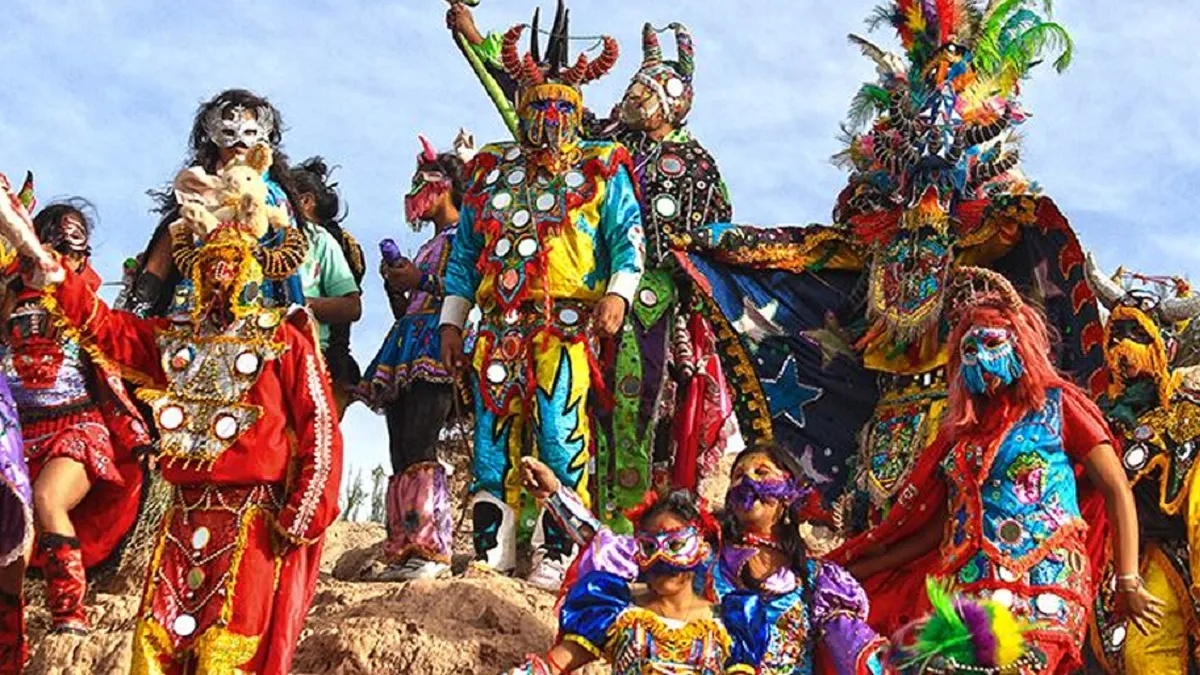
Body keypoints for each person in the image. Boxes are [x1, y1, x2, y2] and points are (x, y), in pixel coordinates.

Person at [0, 150, 342, 674]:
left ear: (254, 266)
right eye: (210, 265)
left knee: (228, 653)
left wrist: (302, 511)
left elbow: (319, 426)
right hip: (181, 517)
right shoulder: (176, 343)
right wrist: (48, 269)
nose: (221, 275)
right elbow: (106, 329)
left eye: (232, 263)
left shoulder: (284, 338)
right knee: (157, 648)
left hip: (253, 521)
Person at [449, 4, 737, 527]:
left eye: (647, 90)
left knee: (635, 411)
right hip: (552, 301)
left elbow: (716, 232)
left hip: (653, 299)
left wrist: (670, 286)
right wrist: (474, 39)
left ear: (675, 101)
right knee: (548, 418)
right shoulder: (598, 145)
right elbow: (526, 98)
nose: (632, 96)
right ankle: (530, 529)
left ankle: (629, 524)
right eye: (632, 86)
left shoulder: (697, 163)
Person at [835, 267, 1164, 674]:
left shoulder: (1057, 407)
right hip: (966, 595)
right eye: (968, 351)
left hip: (1041, 584)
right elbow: (937, 531)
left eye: (992, 342)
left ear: (1019, 344)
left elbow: (1116, 488)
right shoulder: (958, 437)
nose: (981, 358)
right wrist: (857, 569)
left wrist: (1127, 579)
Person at [438, 2, 644, 590]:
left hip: (566, 327)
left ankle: (557, 550)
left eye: (562, 108)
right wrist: (453, 321)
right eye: (538, 107)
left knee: (559, 433)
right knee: (489, 443)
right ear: (522, 110)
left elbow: (627, 238)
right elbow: (463, 254)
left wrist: (619, 294)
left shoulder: (601, 168)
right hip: (498, 328)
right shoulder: (490, 172)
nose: (549, 118)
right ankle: (490, 551)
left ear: (577, 114)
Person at [0, 198, 150, 652]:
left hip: (76, 428)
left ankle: (69, 614)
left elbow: (110, 372)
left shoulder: (84, 302)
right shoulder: (7, 297)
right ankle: (11, 643)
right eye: (59, 246)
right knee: (13, 539)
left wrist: (136, 436)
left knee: (47, 499)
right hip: (18, 436)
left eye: (78, 250)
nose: (69, 258)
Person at [359, 133, 472, 581]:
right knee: (401, 447)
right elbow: (411, 305)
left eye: (419, 184)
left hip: (438, 344)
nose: (412, 197)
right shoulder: (430, 244)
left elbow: (467, 289)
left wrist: (421, 278)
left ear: (442, 186)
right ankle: (402, 548)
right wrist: (400, 285)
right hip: (407, 343)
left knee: (423, 440)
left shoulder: (465, 236)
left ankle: (430, 548)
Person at [1085, 256, 1200, 674]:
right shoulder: (1094, 414)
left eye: (1137, 335)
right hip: (1094, 560)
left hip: (1161, 558)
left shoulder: (1185, 414)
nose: (1122, 350)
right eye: (1115, 336)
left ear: (1164, 346)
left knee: (1144, 657)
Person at [506, 460, 729, 675]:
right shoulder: (617, 614)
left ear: (703, 549)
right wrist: (554, 495)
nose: (661, 558)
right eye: (649, 547)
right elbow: (552, 665)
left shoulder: (728, 626)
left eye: (675, 545)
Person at [122, 88, 306, 318]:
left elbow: (288, 259)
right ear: (213, 135)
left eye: (249, 132)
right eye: (228, 131)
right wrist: (134, 313)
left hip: (256, 313)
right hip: (191, 312)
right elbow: (160, 264)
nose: (238, 141)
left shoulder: (274, 197)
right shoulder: (194, 191)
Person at [717, 444, 886, 675]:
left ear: (788, 493)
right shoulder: (706, 562)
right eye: (737, 476)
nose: (747, 479)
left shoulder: (818, 579)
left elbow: (852, 645)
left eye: (761, 472)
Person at [290, 157, 364, 417]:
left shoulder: (322, 241)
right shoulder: (262, 237)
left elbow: (351, 306)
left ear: (305, 201)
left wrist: (297, 306)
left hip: (311, 356)